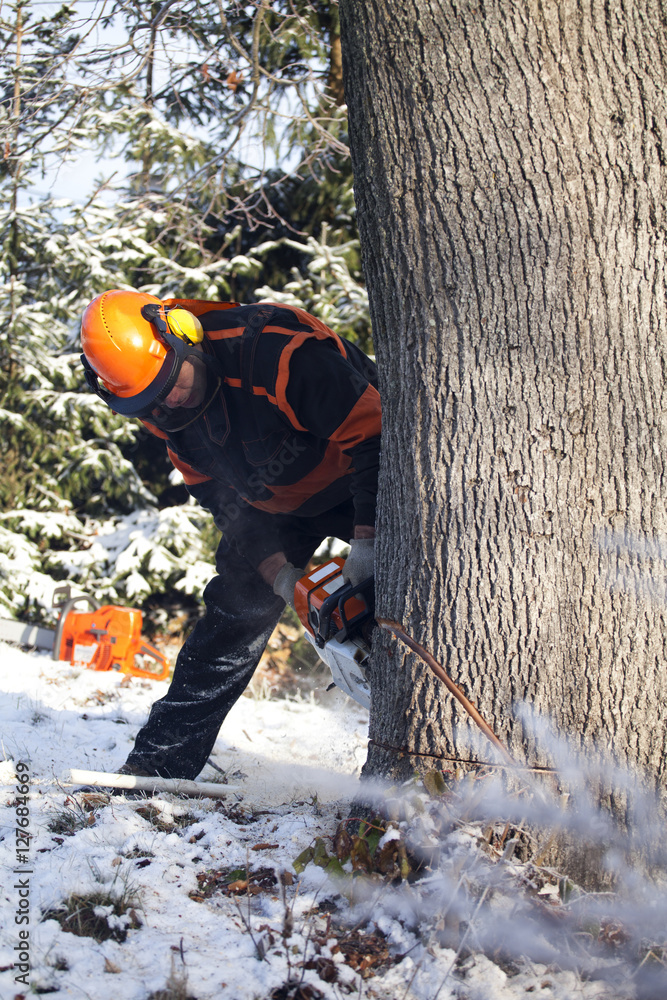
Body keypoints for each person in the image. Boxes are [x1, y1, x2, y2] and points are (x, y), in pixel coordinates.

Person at [80, 289, 381, 780]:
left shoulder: (276, 352)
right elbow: (226, 508)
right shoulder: (163, 412)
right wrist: (281, 578)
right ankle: (160, 764)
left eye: (172, 383)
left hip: (364, 480)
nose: (170, 403)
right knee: (231, 618)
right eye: (150, 402)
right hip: (275, 509)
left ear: (185, 336)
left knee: (410, 596)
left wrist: (369, 544)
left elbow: (376, 435)